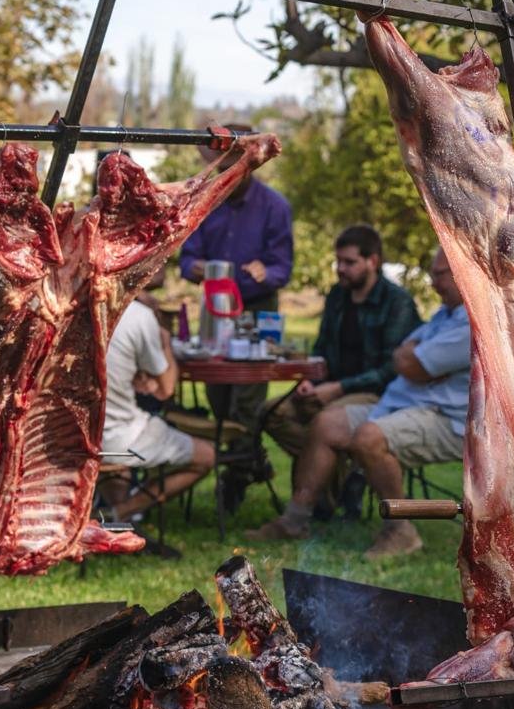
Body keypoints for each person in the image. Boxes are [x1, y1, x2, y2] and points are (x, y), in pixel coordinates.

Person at [246, 248, 470, 559]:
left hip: (444, 418)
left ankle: (401, 529)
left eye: (439, 274)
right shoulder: (445, 314)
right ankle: (295, 521)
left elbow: (409, 364)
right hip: (403, 403)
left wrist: (411, 358)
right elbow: (403, 354)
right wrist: (411, 357)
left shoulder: (471, 321)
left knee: (368, 437)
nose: (433, 282)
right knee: (326, 423)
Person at [260, 224, 420, 514]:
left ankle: (307, 507)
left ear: (372, 262)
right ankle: (344, 470)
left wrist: (337, 388)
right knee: (272, 413)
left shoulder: (397, 303)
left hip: (378, 394)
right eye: (339, 262)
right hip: (330, 387)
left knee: (325, 422)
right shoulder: (338, 296)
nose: (341, 269)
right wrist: (311, 379)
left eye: (350, 262)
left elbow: (391, 370)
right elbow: (322, 347)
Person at [180, 121, 294, 508]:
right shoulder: (205, 201)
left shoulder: (275, 207)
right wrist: (194, 267)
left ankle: (238, 472)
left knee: (247, 397)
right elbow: (188, 256)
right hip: (216, 307)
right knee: (218, 392)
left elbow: (283, 267)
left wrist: (266, 272)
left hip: (256, 308)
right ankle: (247, 459)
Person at [101, 291, 215, 521]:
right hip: (117, 438)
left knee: (118, 442)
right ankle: (117, 514)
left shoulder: (59, 309)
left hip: (63, 438)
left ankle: (112, 518)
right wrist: (164, 341)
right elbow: (166, 389)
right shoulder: (136, 315)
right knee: (207, 456)